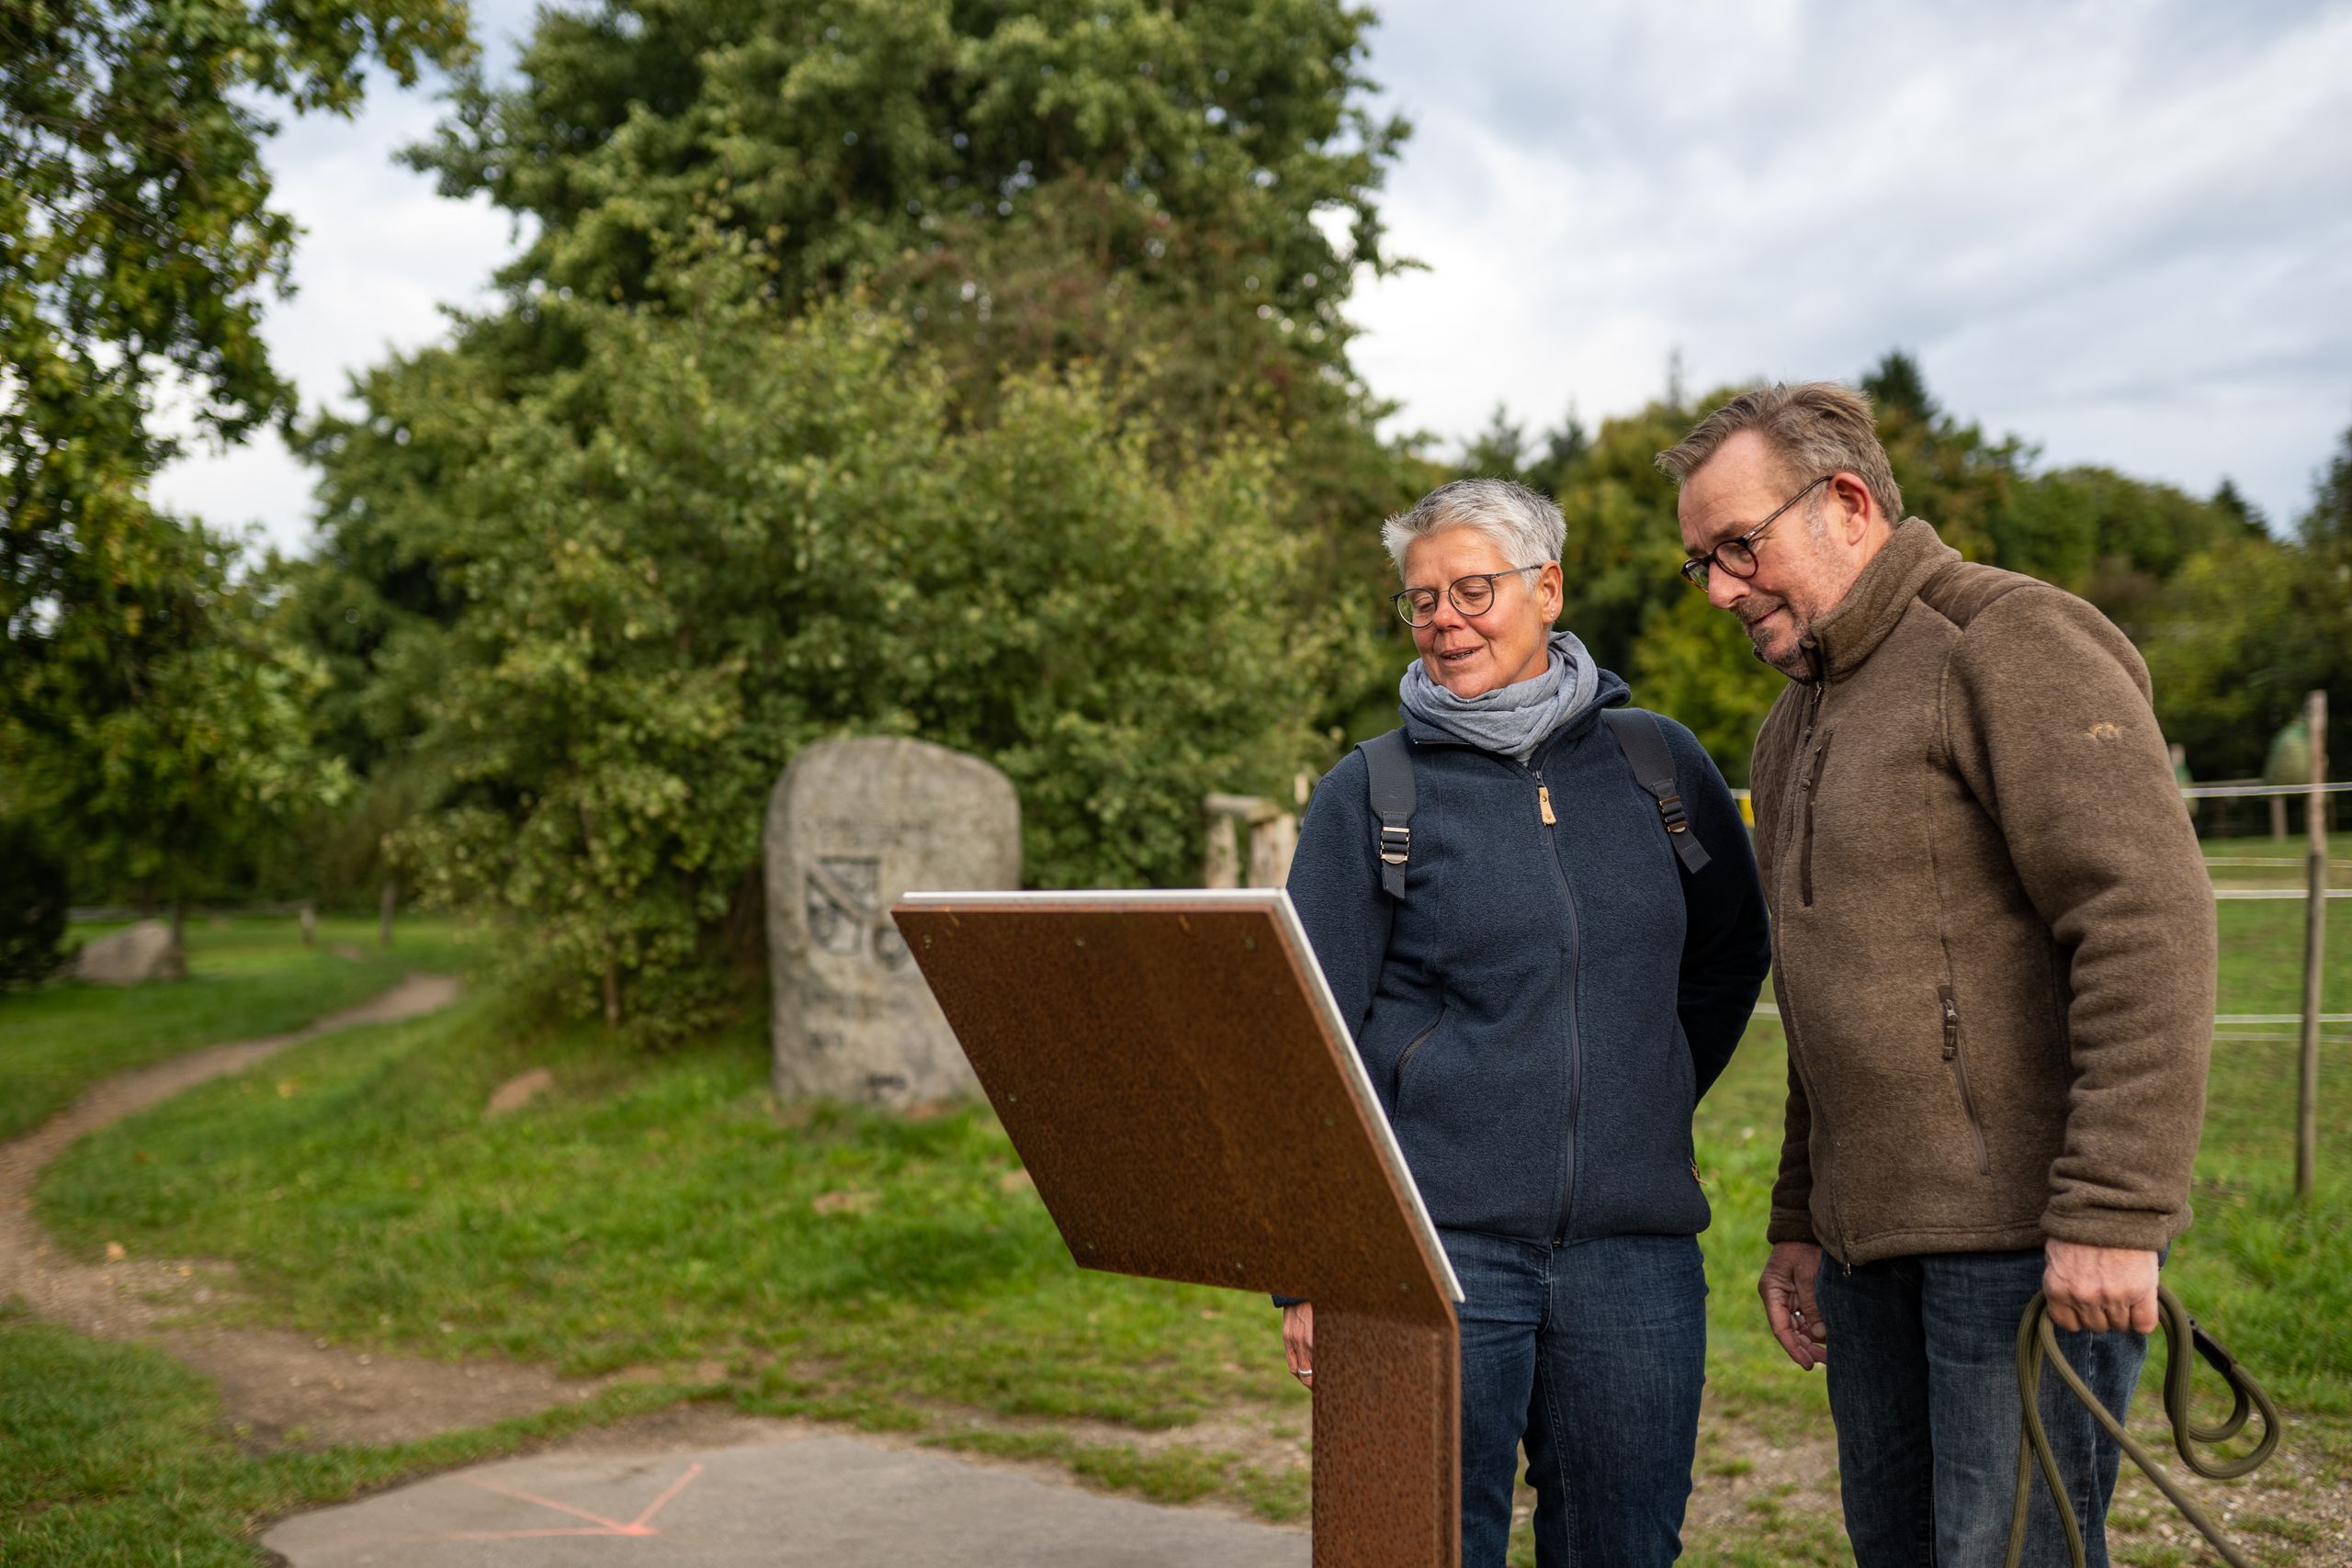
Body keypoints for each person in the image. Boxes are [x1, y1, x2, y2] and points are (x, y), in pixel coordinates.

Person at [1657, 384, 2215, 1568]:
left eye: (1738, 548)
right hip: (1869, 1257)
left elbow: (2144, 923)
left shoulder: (2006, 641)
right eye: (1700, 561)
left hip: (2020, 1245)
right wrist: (1801, 1215)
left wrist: (2115, 1215)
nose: (1716, 589)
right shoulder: (1787, 725)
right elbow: (1821, 995)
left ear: (1846, 504)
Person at [1278, 478, 1770, 1567]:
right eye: (1420, 602)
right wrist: (1316, 1262)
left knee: (1622, 1551)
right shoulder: (1371, 794)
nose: (1444, 620)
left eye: (1472, 590)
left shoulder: (1659, 765)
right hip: (1429, 1257)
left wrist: (1648, 1087)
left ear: (1546, 588)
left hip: (1633, 1265)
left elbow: (1730, 953)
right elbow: (1307, 1039)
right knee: (1405, 1546)